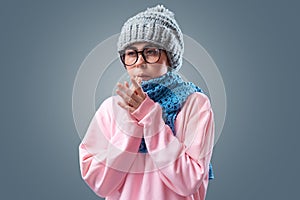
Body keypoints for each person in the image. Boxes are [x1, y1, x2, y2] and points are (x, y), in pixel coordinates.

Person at [79, 4, 215, 200]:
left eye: (150, 52)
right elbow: (100, 183)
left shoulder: (195, 104)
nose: (140, 61)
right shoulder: (110, 109)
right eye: (131, 53)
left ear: (169, 57)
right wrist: (131, 121)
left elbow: (188, 182)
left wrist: (150, 117)